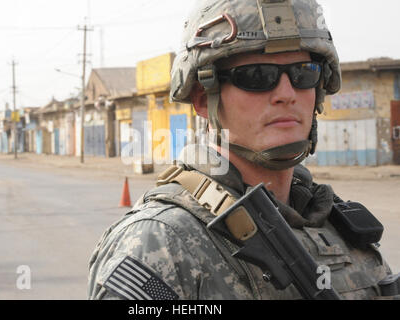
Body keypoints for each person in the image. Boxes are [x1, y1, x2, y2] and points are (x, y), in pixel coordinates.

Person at [88, 0, 395, 300]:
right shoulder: (161, 243)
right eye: (257, 76)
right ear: (201, 98)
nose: (287, 94)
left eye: (304, 72)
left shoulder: (342, 228)